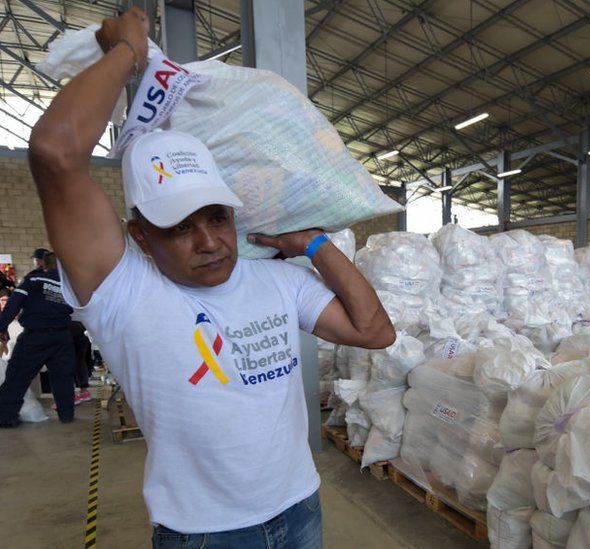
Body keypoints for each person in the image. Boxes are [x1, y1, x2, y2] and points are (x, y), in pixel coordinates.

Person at [27, 8, 394, 548]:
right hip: (205, 534)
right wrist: (129, 50)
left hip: (300, 508)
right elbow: (55, 153)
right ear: (141, 236)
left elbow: (374, 332)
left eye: (217, 218)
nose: (208, 242)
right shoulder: (123, 292)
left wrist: (313, 244)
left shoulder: (276, 283)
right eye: (180, 227)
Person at [0, 252, 77, 426]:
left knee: (17, 375)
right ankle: (66, 415)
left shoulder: (34, 280)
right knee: (63, 377)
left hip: (35, 337)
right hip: (62, 336)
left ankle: (6, 417)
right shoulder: (70, 285)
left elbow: (14, 303)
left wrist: (2, 327)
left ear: (44, 265)